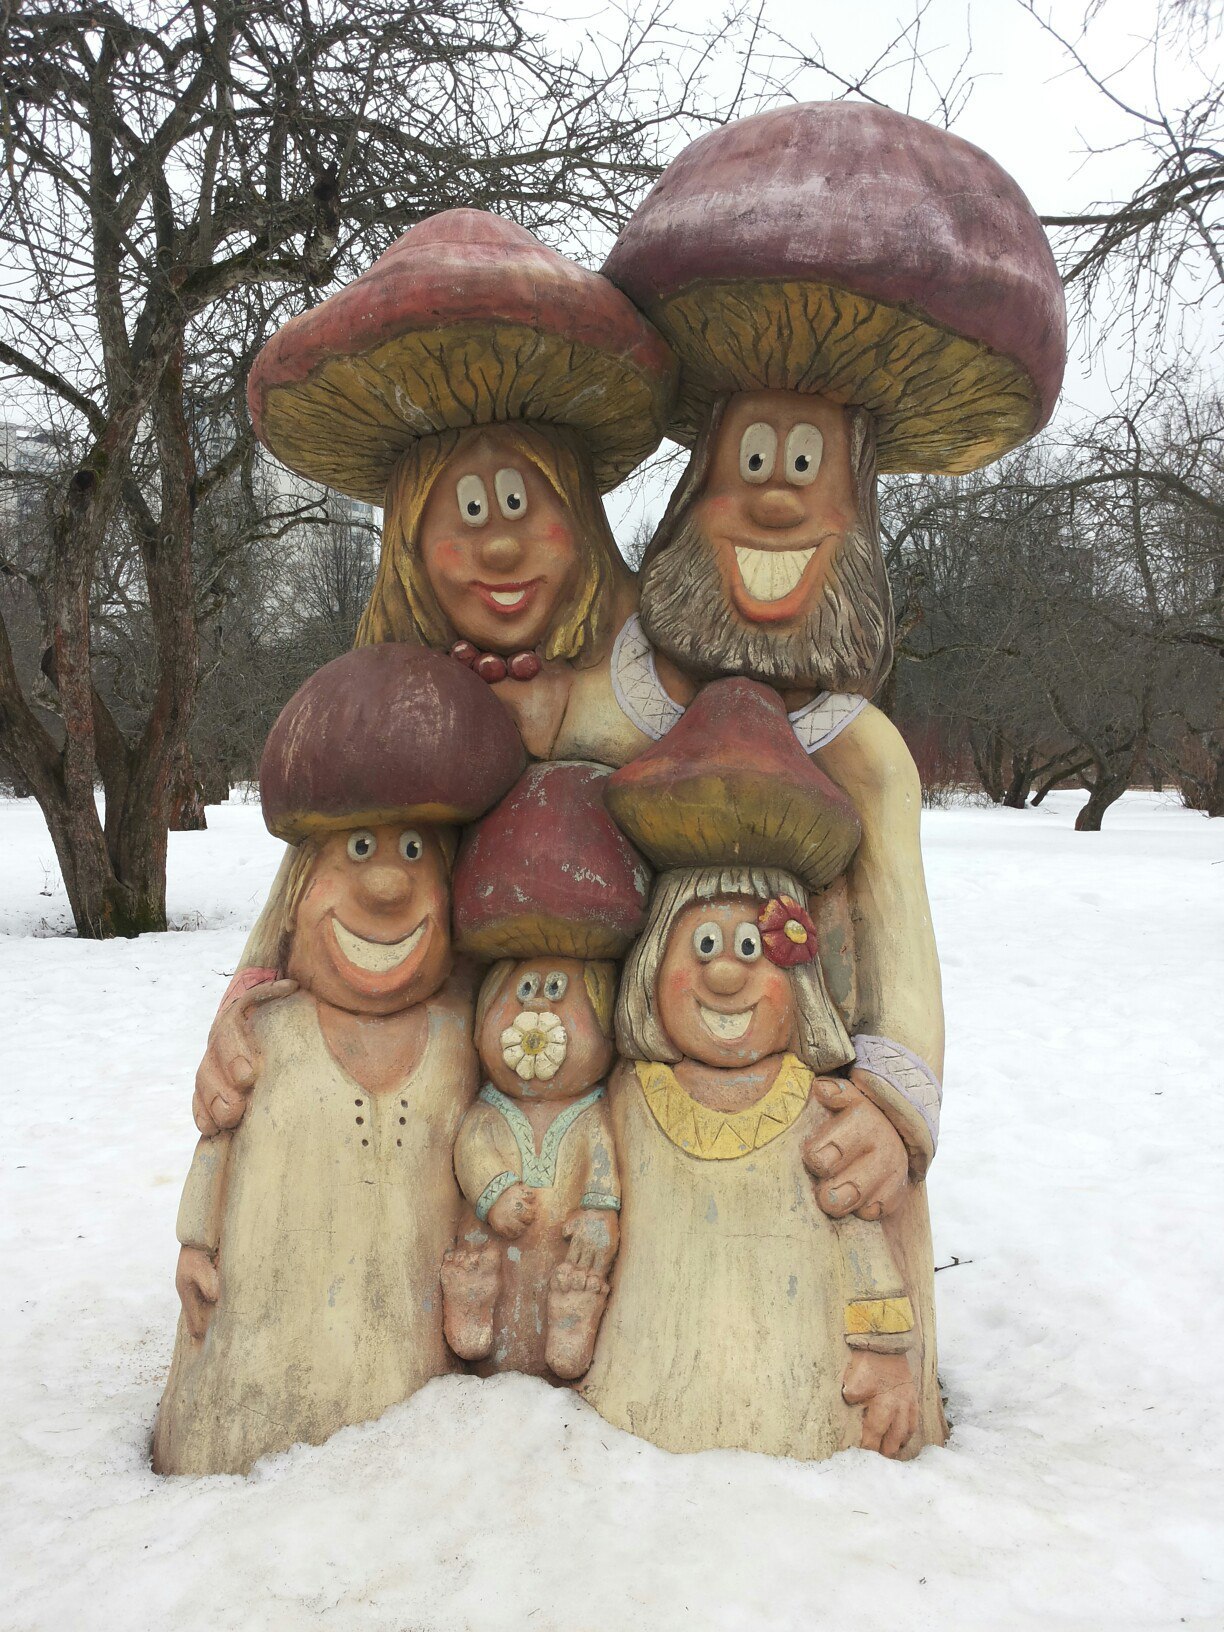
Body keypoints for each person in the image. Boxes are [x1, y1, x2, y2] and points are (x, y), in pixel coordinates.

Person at [153, 647, 523, 1474]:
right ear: (304, 882)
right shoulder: (270, 1030)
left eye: (416, 853)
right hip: (260, 1357)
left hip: (407, 1361)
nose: (388, 887)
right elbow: (220, 1146)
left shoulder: (464, 1039)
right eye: (358, 848)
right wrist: (194, 1243)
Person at [582, 679, 932, 1459]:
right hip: (643, 1388)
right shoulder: (633, 1100)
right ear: (651, 968)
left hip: (793, 1382)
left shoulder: (818, 1107)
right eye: (702, 946)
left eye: (752, 949)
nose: (728, 975)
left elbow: (860, 1240)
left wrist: (885, 1352)